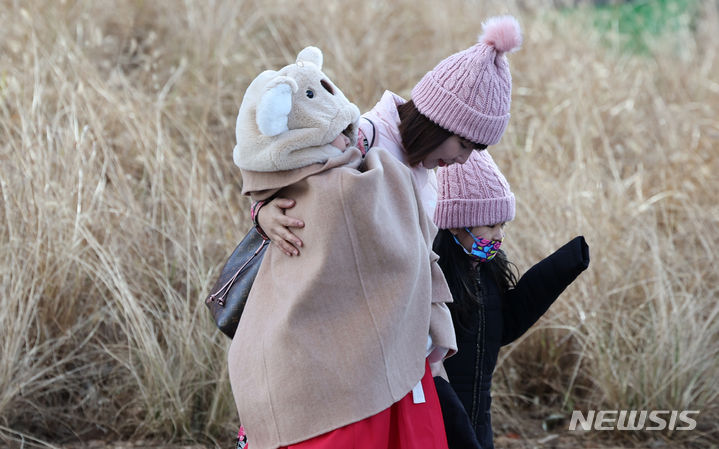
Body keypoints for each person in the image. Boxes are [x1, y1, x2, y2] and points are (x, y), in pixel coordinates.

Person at [228, 46, 456, 449]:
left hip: (289, 370)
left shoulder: (289, 191)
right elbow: (406, 254)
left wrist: (261, 207)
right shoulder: (360, 183)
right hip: (355, 382)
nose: (348, 136)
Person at [254, 15, 524, 258]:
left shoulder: (428, 176)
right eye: (463, 144)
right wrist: (262, 214)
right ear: (436, 121)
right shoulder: (360, 139)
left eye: (473, 150)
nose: (463, 160)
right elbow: (281, 176)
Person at [431, 150, 591, 449]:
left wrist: (559, 269)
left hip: (480, 420)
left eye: (503, 225)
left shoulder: (488, 270)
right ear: (455, 225)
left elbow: (501, 329)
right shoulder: (433, 277)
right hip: (443, 425)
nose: (499, 236)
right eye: (491, 226)